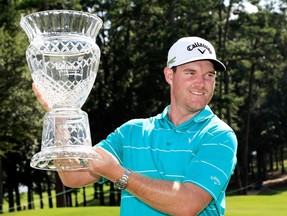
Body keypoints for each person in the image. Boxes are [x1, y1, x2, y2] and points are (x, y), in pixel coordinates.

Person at [33, 36, 237, 216]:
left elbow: (187, 204)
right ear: (169, 75)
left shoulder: (219, 136)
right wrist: (59, 114)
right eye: (190, 73)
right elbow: (73, 176)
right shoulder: (131, 132)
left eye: (209, 75)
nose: (201, 83)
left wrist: (119, 174)